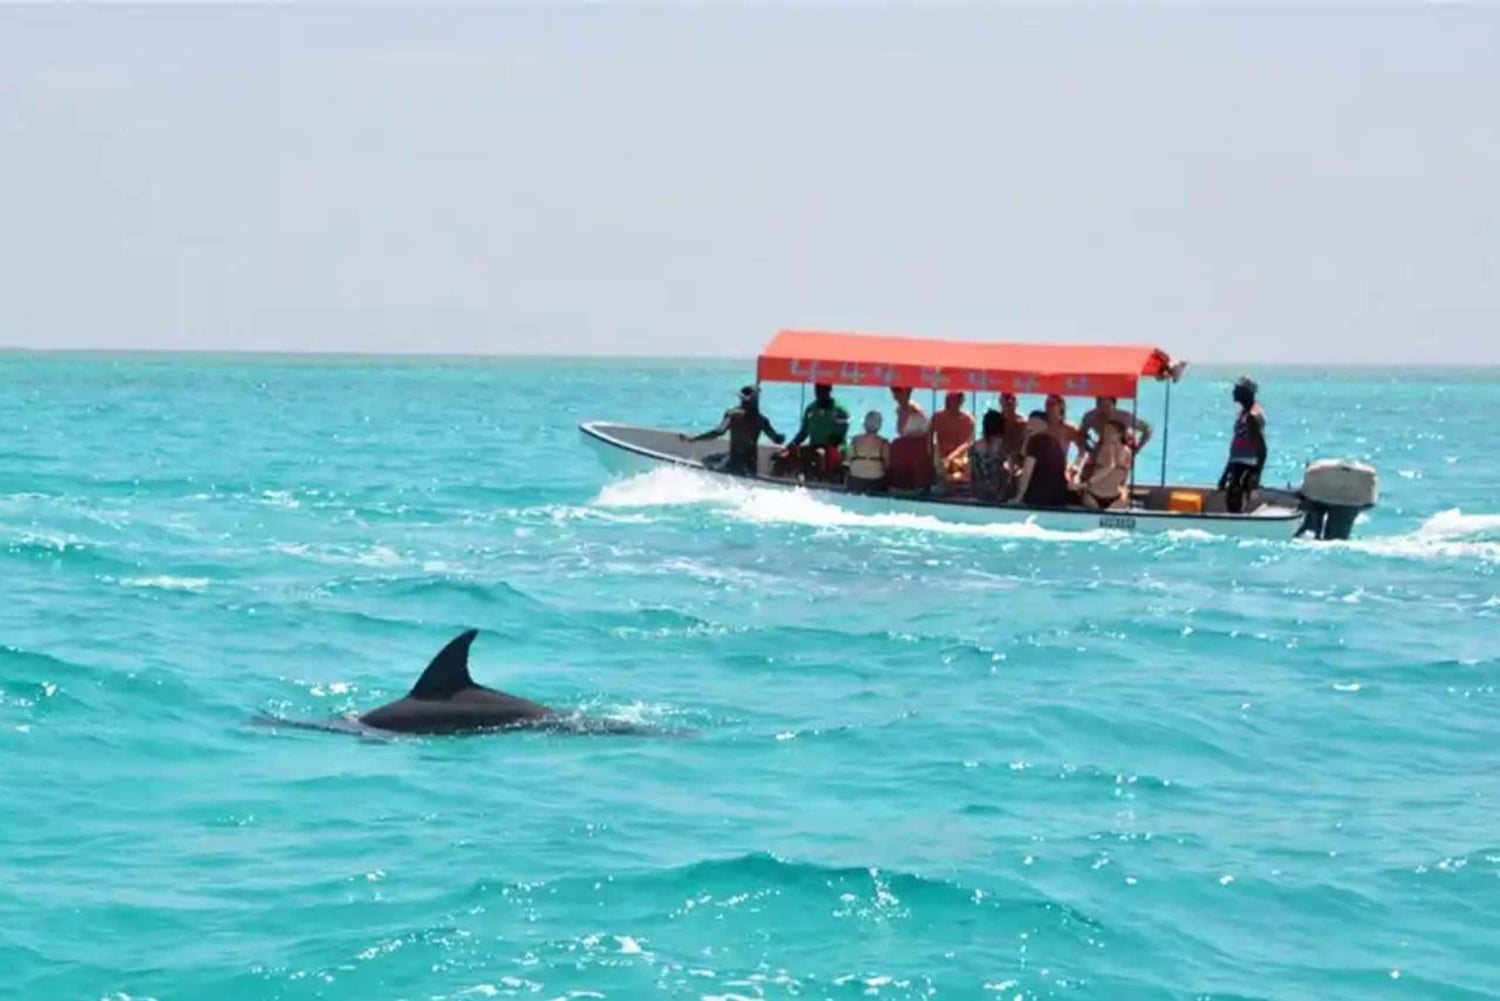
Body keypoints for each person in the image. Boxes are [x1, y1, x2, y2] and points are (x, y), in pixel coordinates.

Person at [681, 385, 785, 476]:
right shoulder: (761, 420)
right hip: (751, 467)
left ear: (741, 399)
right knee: (721, 456)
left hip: (733, 464)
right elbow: (777, 440)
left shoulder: (733, 414)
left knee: (708, 460)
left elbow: (718, 432)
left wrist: (693, 438)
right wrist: (782, 438)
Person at [1218, 376, 1266, 513]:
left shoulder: (1252, 416)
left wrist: (1257, 474)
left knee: (1237, 504)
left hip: (1246, 467)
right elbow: (1235, 449)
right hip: (1237, 465)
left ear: (1246, 393)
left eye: (1237, 389)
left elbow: (1262, 448)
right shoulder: (1243, 413)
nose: (1233, 392)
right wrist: (1225, 474)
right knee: (1232, 502)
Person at [784, 382, 851, 481]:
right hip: (814, 446)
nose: (819, 393)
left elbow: (840, 436)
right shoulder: (810, 409)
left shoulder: (840, 411)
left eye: (823, 390)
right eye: (817, 390)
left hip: (835, 448)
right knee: (786, 456)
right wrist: (791, 445)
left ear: (829, 390)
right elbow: (803, 432)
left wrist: (825, 447)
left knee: (819, 455)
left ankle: (820, 482)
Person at [1016, 410, 1072, 508]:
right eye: (1029, 423)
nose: (1030, 426)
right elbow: (1022, 456)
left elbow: (1027, 471)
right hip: (1059, 498)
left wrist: (1018, 497)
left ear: (1044, 425)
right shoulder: (1054, 442)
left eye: (1035, 423)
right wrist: (1027, 438)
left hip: (1039, 499)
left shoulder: (1036, 441)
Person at [1078, 418, 1133, 509]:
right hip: (1094, 495)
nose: (1106, 434)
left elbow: (1124, 475)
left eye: (1110, 431)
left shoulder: (1127, 452)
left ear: (1119, 434)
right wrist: (1085, 484)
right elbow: (1106, 468)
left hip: (1115, 497)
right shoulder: (1101, 449)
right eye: (1105, 431)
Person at [931, 391, 976, 484]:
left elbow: (967, 443)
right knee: (940, 464)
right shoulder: (938, 417)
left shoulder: (967, 420)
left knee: (963, 465)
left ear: (960, 402)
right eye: (946, 398)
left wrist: (951, 457)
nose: (946, 402)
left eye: (950, 399)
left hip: (959, 457)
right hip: (940, 456)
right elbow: (929, 437)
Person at [1080, 396, 1152, 452]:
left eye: (1107, 406)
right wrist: (1088, 449)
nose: (1104, 410)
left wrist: (1137, 449)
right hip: (1101, 450)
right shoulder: (1090, 417)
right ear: (1096, 404)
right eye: (1100, 405)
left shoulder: (1124, 417)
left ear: (1114, 405)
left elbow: (1148, 429)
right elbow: (1081, 435)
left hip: (1121, 451)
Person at [969, 409, 1012, 502]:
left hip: (978, 492)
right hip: (999, 494)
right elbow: (1009, 471)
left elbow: (971, 470)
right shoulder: (1003, 447)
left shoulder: (975, 447)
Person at [845, 411, 891, 493]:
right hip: (876, 482)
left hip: (855, 481)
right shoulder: (884, 443)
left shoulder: (855, 440)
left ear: (864, 424)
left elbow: (848, 459)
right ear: (879, 426)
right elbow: (887, 465)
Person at [888, 412, 934, 493]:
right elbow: (937, 466)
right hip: (919, 488)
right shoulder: (928, 444)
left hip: (895, 487)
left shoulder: (896, 443)